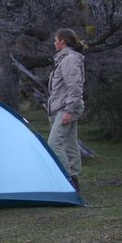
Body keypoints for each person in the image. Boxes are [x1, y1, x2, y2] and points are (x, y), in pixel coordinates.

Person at [47, 28, 87, 191]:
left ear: (63, 41)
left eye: (56, 40)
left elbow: (75, 86)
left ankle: (67, 178)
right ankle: (74, 177)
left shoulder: (70, 59)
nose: (55, 43)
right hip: (63, 107)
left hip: (67, 107)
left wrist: (69, 110)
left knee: (54, 143)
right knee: (69, 142)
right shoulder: (64, 59)